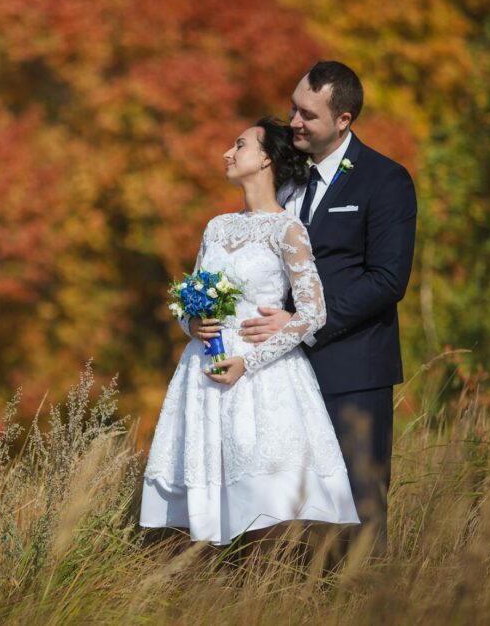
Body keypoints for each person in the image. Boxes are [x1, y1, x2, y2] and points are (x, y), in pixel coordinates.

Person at [139, 118, 359, 546]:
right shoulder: (216, 227)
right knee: (203, 504)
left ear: (265, 159)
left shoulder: (288, 229)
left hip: (262, 373)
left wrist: (249, 361)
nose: (227, 153)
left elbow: (313, 312)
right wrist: (192, 323)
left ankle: (270, 590)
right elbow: (191, 303)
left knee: (266, 503)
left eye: (238, 145)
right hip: (205, 371)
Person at [240, 61, 417, 554]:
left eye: (308, 115)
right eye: (293, 108)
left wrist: (301, 325)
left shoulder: (385, 181)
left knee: (357, 512)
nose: (294, 121)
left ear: (344, 120)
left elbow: (387, 280)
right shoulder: (284, 177)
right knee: (284, 511)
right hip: (279, 373)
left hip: (352, 372)